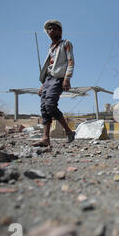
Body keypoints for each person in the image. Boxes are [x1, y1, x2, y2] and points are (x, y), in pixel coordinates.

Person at [32, 19, 75, 147]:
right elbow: (49, 68)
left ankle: (68, 131)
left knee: (50, 105)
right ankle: (45, 138)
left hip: (59, 78)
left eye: (54, 28)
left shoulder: (66, 44)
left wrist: (67, 78)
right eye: (49, 29)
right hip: (48, 79)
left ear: (60, 31)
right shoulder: (51, 48)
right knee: (44, 108)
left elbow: (71, 61)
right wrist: (43, 84)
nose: (51, 31)